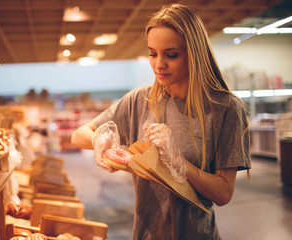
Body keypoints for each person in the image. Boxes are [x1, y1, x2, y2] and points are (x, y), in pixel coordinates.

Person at [71, 3, 250, 240]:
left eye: (171, 55)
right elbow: (78, 135)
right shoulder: (139, 100)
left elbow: (224, 193)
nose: (158, 64)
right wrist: (99, 139)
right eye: (152, 53)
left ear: (194, 53)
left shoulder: (225, 109)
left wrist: (178, 161)